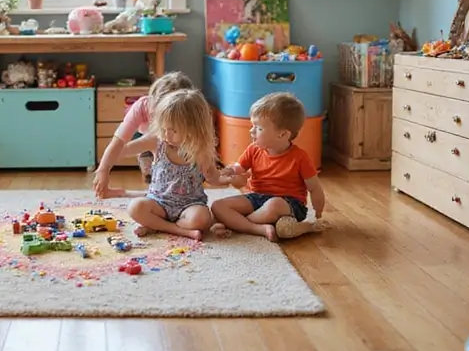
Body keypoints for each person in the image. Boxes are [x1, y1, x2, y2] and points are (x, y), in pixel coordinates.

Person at [211, 92, 327, 242]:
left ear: (282, 134)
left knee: (274, 204)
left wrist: (318, 213)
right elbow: (240, 167)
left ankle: (235, 224)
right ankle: (258, 228)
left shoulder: (301, 158)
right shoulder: (254, 149)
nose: (251, 131)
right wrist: (230, 170)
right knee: (217, 206)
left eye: (258, 128)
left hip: (289, 203)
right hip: (257, 197)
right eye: (253, 125)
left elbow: (314, 188)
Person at [121, 89, 231, 241]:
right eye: (164, 129)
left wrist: (228, 180)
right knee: (135, 208)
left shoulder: (201, 152)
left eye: (172, 131)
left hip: (189, 206)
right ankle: (180, 231)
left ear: (192, 129)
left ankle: (157, 226)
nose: (166, 135)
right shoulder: (156, 141)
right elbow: (124, 150)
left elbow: (213, 178)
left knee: (202, 219)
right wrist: (118, 142)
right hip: (158, 202)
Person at [92, 71, 194, 198]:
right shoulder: (142, 107)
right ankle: (146, 162)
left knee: (171, 188)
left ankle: (134, 191)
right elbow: (118, 141)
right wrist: (103, 170)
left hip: (176, 144)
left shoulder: (190, 114)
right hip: (148, 138)